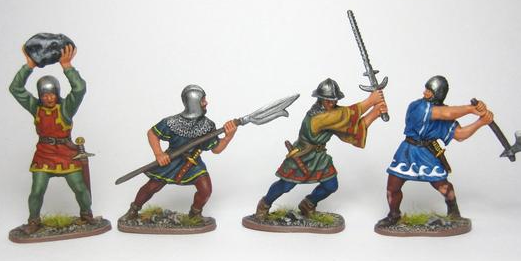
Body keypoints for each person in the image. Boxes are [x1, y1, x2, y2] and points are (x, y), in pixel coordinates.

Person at [255, 78, 387, 218]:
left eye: (334, 100)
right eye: (327, 100)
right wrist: (371, 101)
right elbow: (345, 116)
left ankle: (308, 204)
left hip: (319, 157)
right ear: (320, 99)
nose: (331, 103)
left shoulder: (333, 114)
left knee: (331, 186)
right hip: (302, 155)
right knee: (285, 185)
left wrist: (375, 113)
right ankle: (264, 204)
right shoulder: (318, 117)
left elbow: (350, 131)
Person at [378, 75, 494, 227]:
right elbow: (445, 113)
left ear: (438, 94)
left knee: (444, 186)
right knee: (393, 187)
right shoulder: (417, 106)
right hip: (407, 151)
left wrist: (481, 122)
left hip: (428, 152)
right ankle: (393, 215)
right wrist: (471, 109)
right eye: (426, 89)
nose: (425, 92)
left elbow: (460, 135)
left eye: (429, 91)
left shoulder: (446, 114)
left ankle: (454, 213)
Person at [9, 44, 92, 234]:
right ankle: (33, 221)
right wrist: (29, 66)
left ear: (57, 93)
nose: (48, 98)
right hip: (44, 154)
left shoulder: (66, 109)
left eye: (52, 94)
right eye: (45, 95)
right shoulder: (35, 107)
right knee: (37, 190)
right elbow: (15, 89)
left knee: (80, 188)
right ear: (40, 95)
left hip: (66, 153)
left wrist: (67, 66)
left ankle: (86, 215)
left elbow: (79, 88)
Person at [123, 85, 238, 219]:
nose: (206, 102)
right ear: (193, 103)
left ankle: (195, 214)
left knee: (206, 190)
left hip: (193, 163)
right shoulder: (171, 122)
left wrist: (228, 136)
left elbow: (216, 149)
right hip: (171, 160)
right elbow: (152, 134)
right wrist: (159, 154)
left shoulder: (208, 125)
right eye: (202, 100)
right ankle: (133, 210)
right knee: (151, 187)